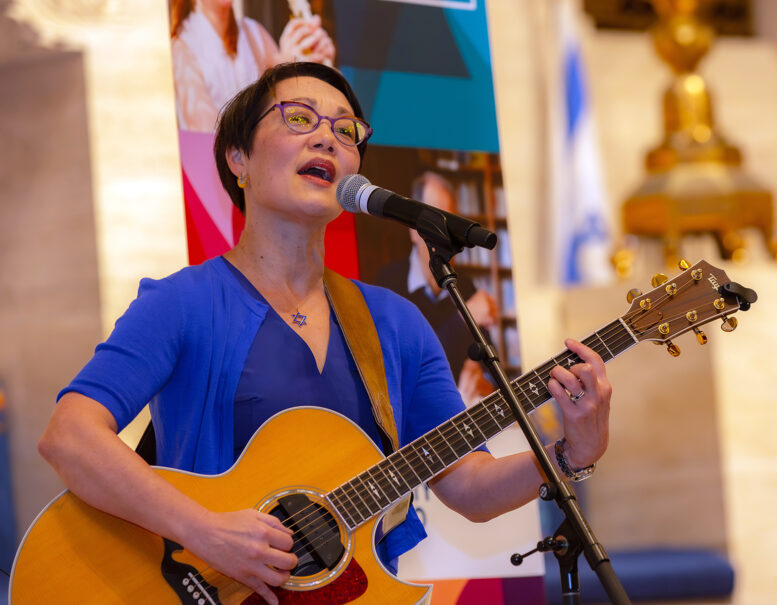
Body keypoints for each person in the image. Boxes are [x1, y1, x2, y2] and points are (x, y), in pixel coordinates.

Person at [38, 62, 612, 605]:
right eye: (298, 118)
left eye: (345, 130)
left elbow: (470, 488)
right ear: (238, 158)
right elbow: (70, 436)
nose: (327, 139)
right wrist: (204, 530)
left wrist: (569, 453)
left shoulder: (394, 323)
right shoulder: (183, 302)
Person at [375, 171, 498, 405]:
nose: (445, 235)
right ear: (412, 230)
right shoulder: (388, 284)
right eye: (434, 222)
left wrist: (485, 384)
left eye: (451, 222)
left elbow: (489, 368)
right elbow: (406, 367)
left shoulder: (466, 287)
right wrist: (463, 318)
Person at [171, 0, 336, 131]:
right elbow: (208, 137)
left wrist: (320, 69)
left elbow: (295, 116)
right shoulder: (180, 48)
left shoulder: (253, 32)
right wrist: (281, 77)